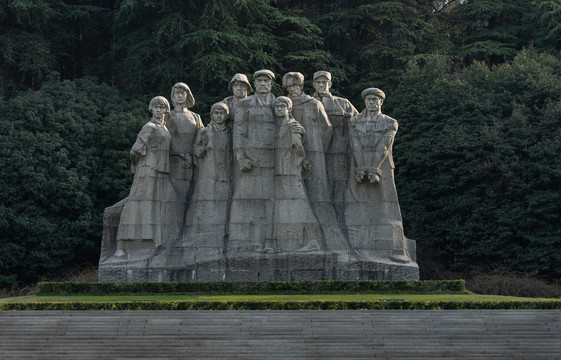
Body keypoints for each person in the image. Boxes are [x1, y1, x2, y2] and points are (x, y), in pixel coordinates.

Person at [282, 72, 349, 253]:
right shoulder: (283, 104)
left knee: (319, 198)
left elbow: (326, 129)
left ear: (301, 87)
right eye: (289, 87)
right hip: (289, 157)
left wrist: (319, 150)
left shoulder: (313, 103)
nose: (293, 90)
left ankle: (329, 243)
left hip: (315, 156)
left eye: (296, 86)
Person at [345, 88, 411, 263]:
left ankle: (396, 249)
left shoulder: (390, 122)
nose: (372, 103)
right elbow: (355, 145)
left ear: (381, 102)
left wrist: (374, 169)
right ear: (365, 102)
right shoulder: (354, 122)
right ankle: (357, 249)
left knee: (388, 207)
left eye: (375, 100)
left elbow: (384, 146)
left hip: (383, 166)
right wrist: (360, 168)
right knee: (356, 205)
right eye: (369, 100)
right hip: (359, 165)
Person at [114, 96, 178, 258]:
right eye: (156, 107)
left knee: (157, 206)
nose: (159, 110)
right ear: (151, 109)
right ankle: (121, 245)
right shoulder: (149, 127)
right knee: (137, 203)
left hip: (160, 172)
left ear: (166, 110)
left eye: (162, 107)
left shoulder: (163, 128)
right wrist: (138, 163)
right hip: (148, 170)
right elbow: (135, 150)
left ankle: (154, 242)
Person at [229, 69, 278, 253]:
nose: (263, 84)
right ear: (255, 84)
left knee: (270, 203)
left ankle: (269, 241)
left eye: (267, 81)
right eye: (260, 81)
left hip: (273, 161)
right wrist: (241, 158)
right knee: (248, 202)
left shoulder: (279, 103)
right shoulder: (245, 103)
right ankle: (246, 241)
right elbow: (239, 132)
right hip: (251, 161)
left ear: (271, 84)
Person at [183, 102, 233, 261]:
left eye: (222, 113)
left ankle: (220, 238)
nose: (219, 116)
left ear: (226, 115)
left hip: (224, 172)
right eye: (216, 113)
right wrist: (198, 152)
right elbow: (196, 149)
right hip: (208, 171)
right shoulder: (204, 131)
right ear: (212, 114)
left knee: (223, 204)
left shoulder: (230, 132)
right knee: (204, 202)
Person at [273, 96, 321, 252]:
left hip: (290, 170)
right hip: (283, 170)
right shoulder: (282, 125)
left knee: (301, 205)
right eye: (277, 107)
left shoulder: (292, 125)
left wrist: (298, 163)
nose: (279, 109)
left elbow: (298, 147)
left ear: (289, 109)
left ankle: (313, 241)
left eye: (282, 106)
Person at [312, 71, 358, 226]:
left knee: (338, 187)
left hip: (339, 153)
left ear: (330, 84)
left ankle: (339, 222)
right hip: (314, 152)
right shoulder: (307, 102)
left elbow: (359, 123)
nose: (321, 85)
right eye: (318, 82)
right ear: (313, 84)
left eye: (324, 82)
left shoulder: (343, 103)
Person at [168, 82, 204, 207]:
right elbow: (170, 137)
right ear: (173, 96)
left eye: (182, 93)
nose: (180, 96)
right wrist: (183, 155)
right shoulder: (168, 115)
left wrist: (195, 153)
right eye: (177, 93)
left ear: (187, 95)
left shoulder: (195, 116)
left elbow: (201, 137)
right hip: (174, 161)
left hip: (193, 162)